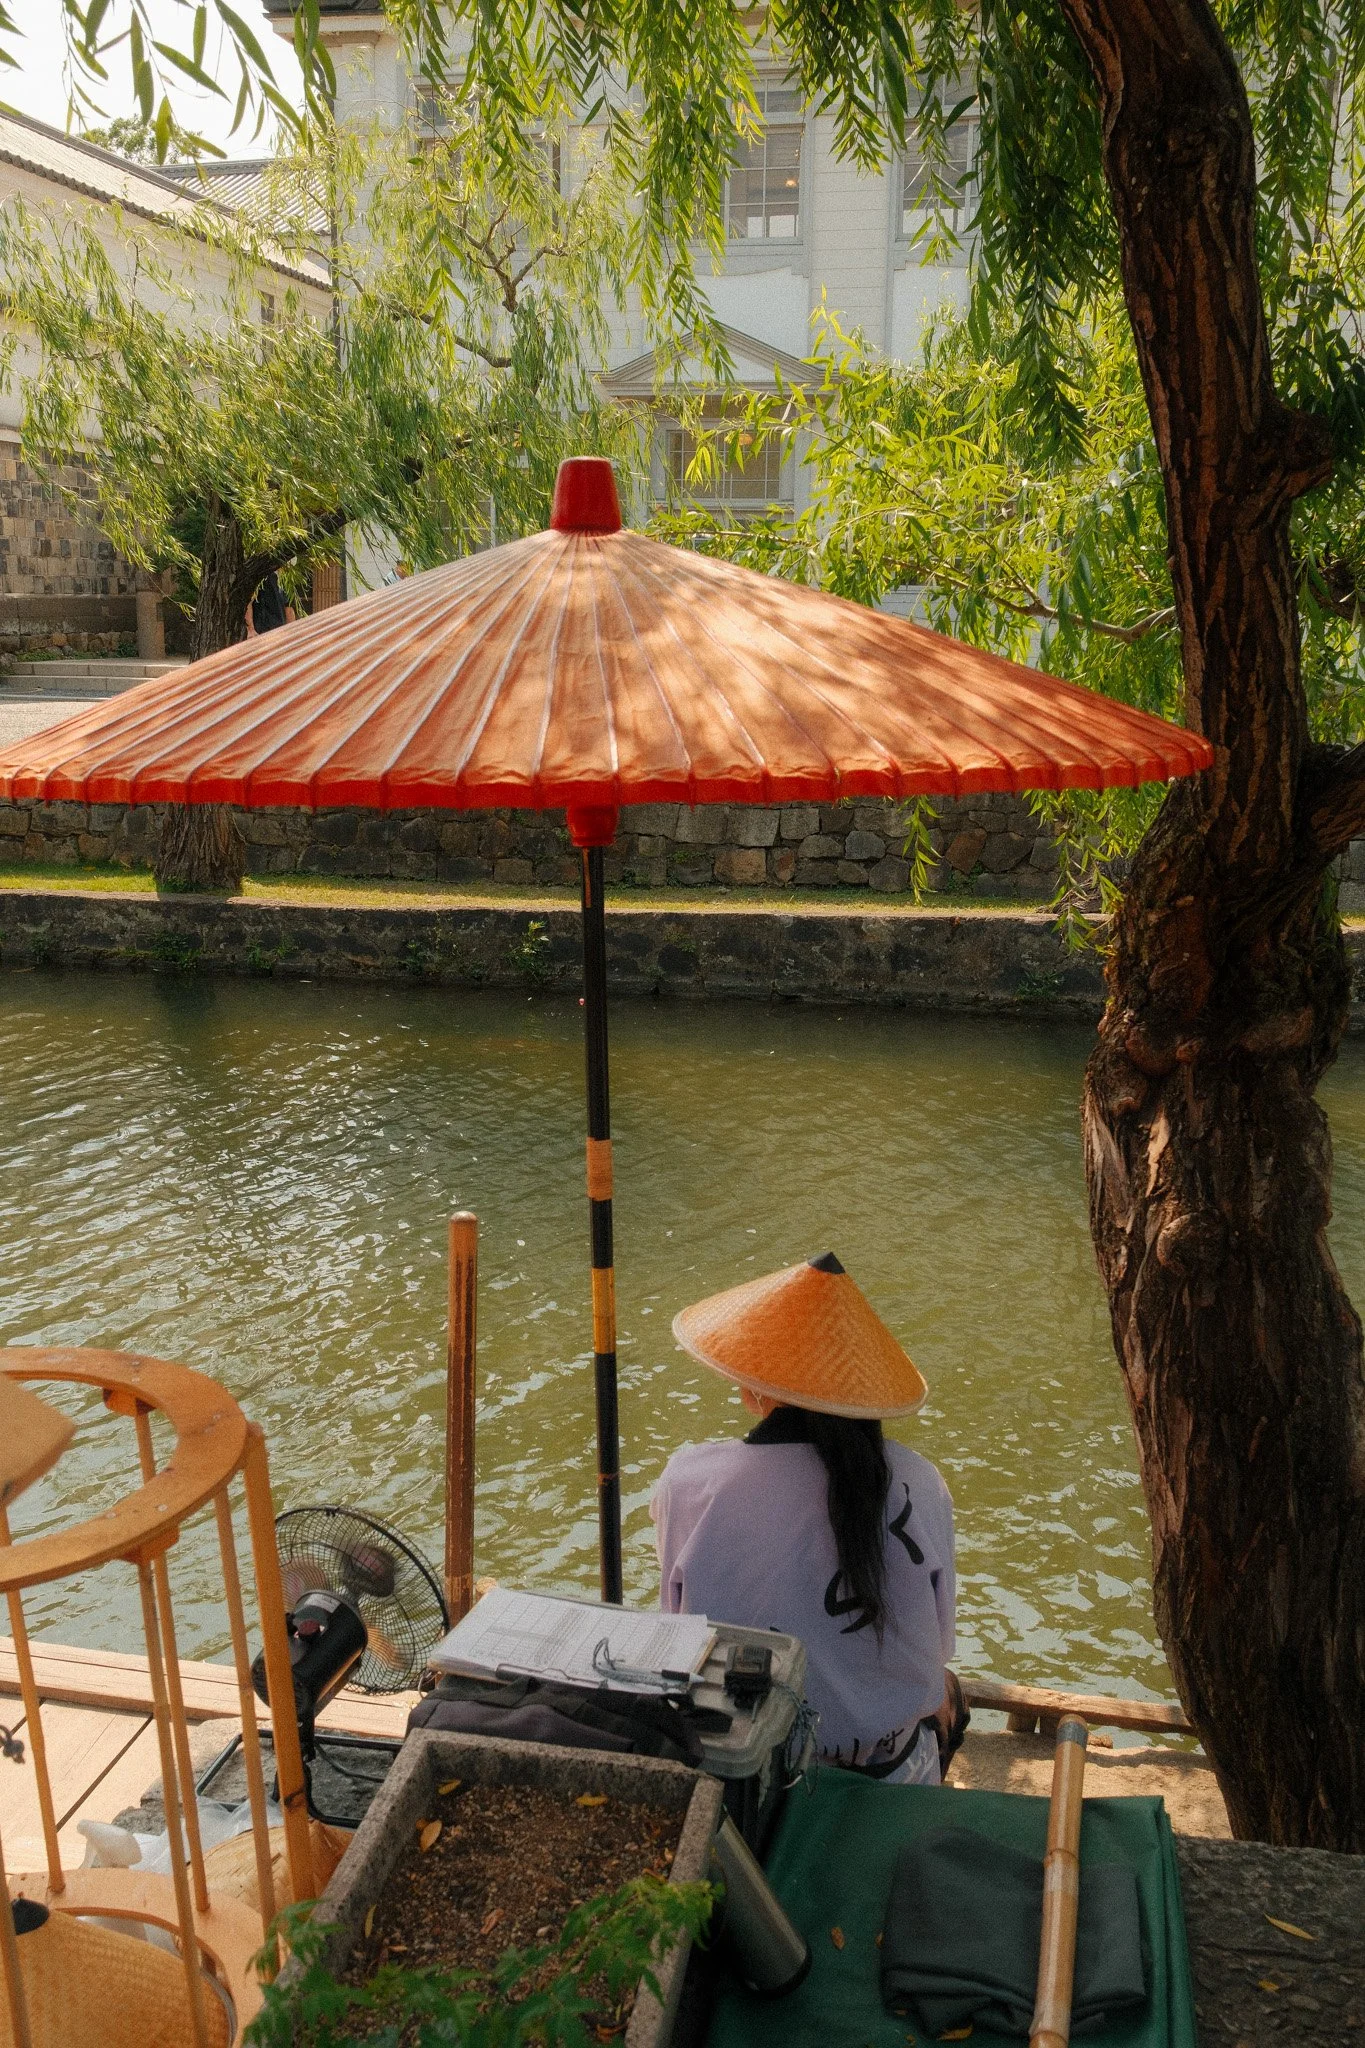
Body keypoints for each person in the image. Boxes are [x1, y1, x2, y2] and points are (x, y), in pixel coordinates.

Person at [651, 1251, 966, 1784]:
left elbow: (679, 1628)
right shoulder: (921, 1483)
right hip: (888, 1772)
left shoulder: (689, 1483)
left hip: (743, 1773)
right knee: (950, 1694)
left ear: (758, 1387)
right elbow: (935, 1649)